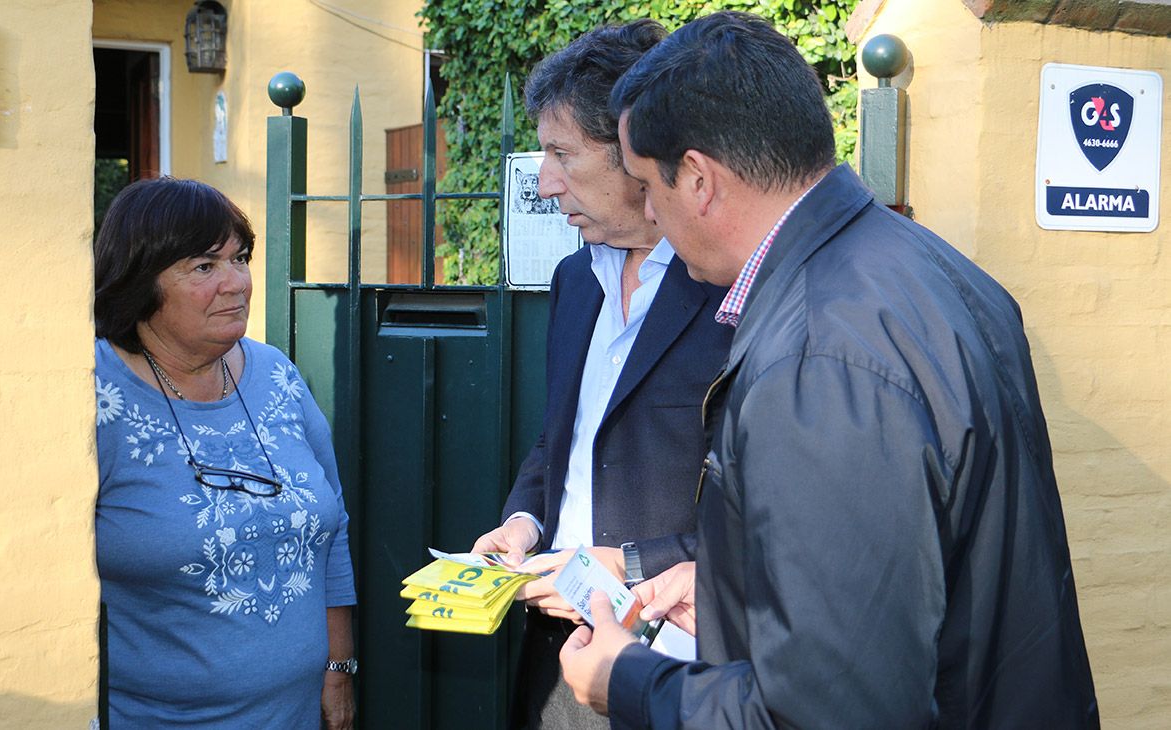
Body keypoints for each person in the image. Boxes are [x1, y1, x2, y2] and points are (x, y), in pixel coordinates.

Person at [559, 11, 1099, 728]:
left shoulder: (817, 359)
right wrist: (732, 588)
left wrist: (629, 680)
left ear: (697, 179)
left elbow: (825, 711)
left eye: (646, 185)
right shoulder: (928, 266)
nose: (649, 213)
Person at [468, 19, 733, 730]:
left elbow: (768, 508)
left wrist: (631, 566)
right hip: (561, 647)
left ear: (633, 148)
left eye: (561, 153)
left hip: (684, 658)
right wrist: (522, 523)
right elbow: (567, 434)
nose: (545, 182)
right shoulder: (575, 277)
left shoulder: (732, 287)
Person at [93, 178, 357, 728]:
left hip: (295, 715)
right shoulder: (96, 396)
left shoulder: (277, 374)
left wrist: (338, 667)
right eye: (205, 267)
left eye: (240, 258)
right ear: (141, 281)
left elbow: (333, 528)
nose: (237, 283)